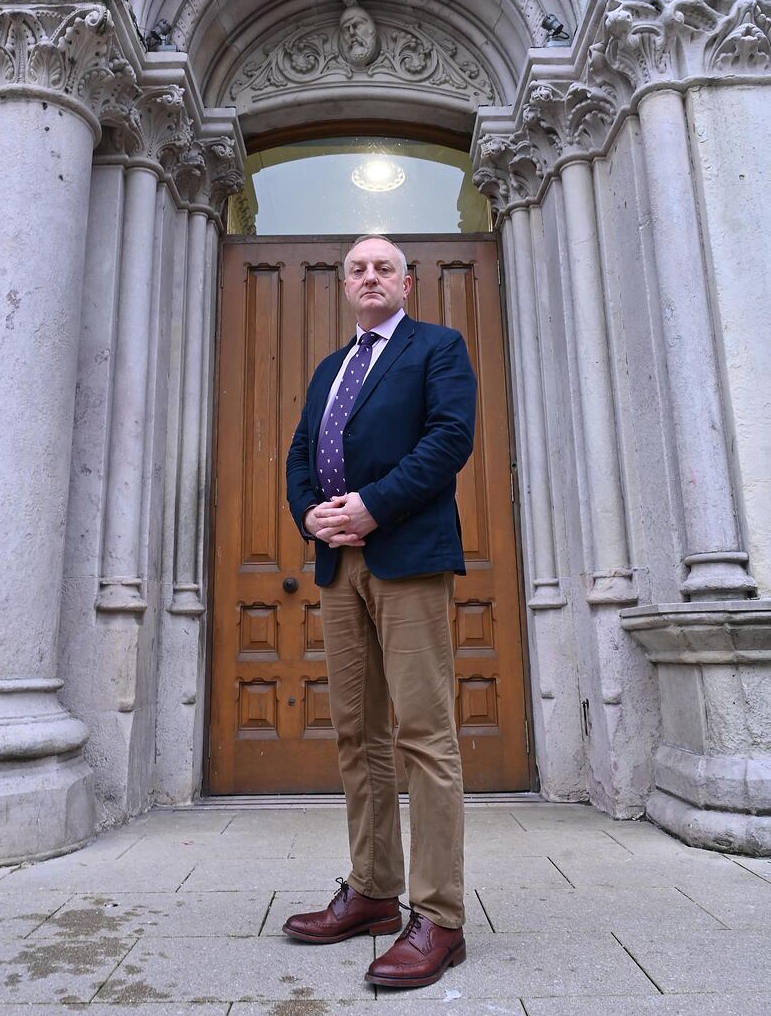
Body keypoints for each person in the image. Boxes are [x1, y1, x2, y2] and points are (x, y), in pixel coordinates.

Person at [284, 233, 476, 989]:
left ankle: (440, 916)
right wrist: (312, 517)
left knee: (425, 734)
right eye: (357, 268)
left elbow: (448, 440)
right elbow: (302, 452)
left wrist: (369, 507)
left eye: (383, 268)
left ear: (409, 282)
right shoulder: (332, 366)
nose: (370, 277)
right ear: (346, 284)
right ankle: (371, 892)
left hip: (408, 556)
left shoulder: (437, 348)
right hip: (339, 567)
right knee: (357, 733)